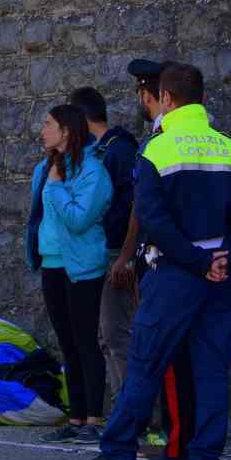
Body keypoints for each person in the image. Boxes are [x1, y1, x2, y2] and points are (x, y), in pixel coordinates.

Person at [70, 63, 231, 460]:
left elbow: (153, 220)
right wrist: (224, 257)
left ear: (168, 99)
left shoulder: (156, 149)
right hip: (221, 277)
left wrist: (195, 261)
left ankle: (118, 454)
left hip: (175, 274)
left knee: (144, 363)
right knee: (212, 368)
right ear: (201, 98)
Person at [125, 58, 197, 460]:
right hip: (195, 260)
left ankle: (175, 444)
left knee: (167, 359)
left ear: (152, 95)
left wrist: (130, 257)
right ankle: (182, 440)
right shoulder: (202, 138)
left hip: (168, 262)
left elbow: (147, 209)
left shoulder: (161, 142)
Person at [26, 103, 113, 444]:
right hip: (52, 264)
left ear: (66, 131)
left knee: (86, 342)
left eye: (48, 124)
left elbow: (79, 219)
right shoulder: (45, 168)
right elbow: (38, 217)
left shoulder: (93, 171)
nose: (42, 130)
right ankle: (75, 418)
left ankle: (93, 418)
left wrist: (57, 187)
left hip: (82, 267)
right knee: (67, 343)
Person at [70, 87, 139, 405]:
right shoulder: (102, 152)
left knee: (115, 334)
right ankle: (123, 410)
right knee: (104, 336)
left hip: (115, 253)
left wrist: (124, 258)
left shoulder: (117, 152)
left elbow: (129, 211)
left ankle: (132, 416)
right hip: (101, 253)